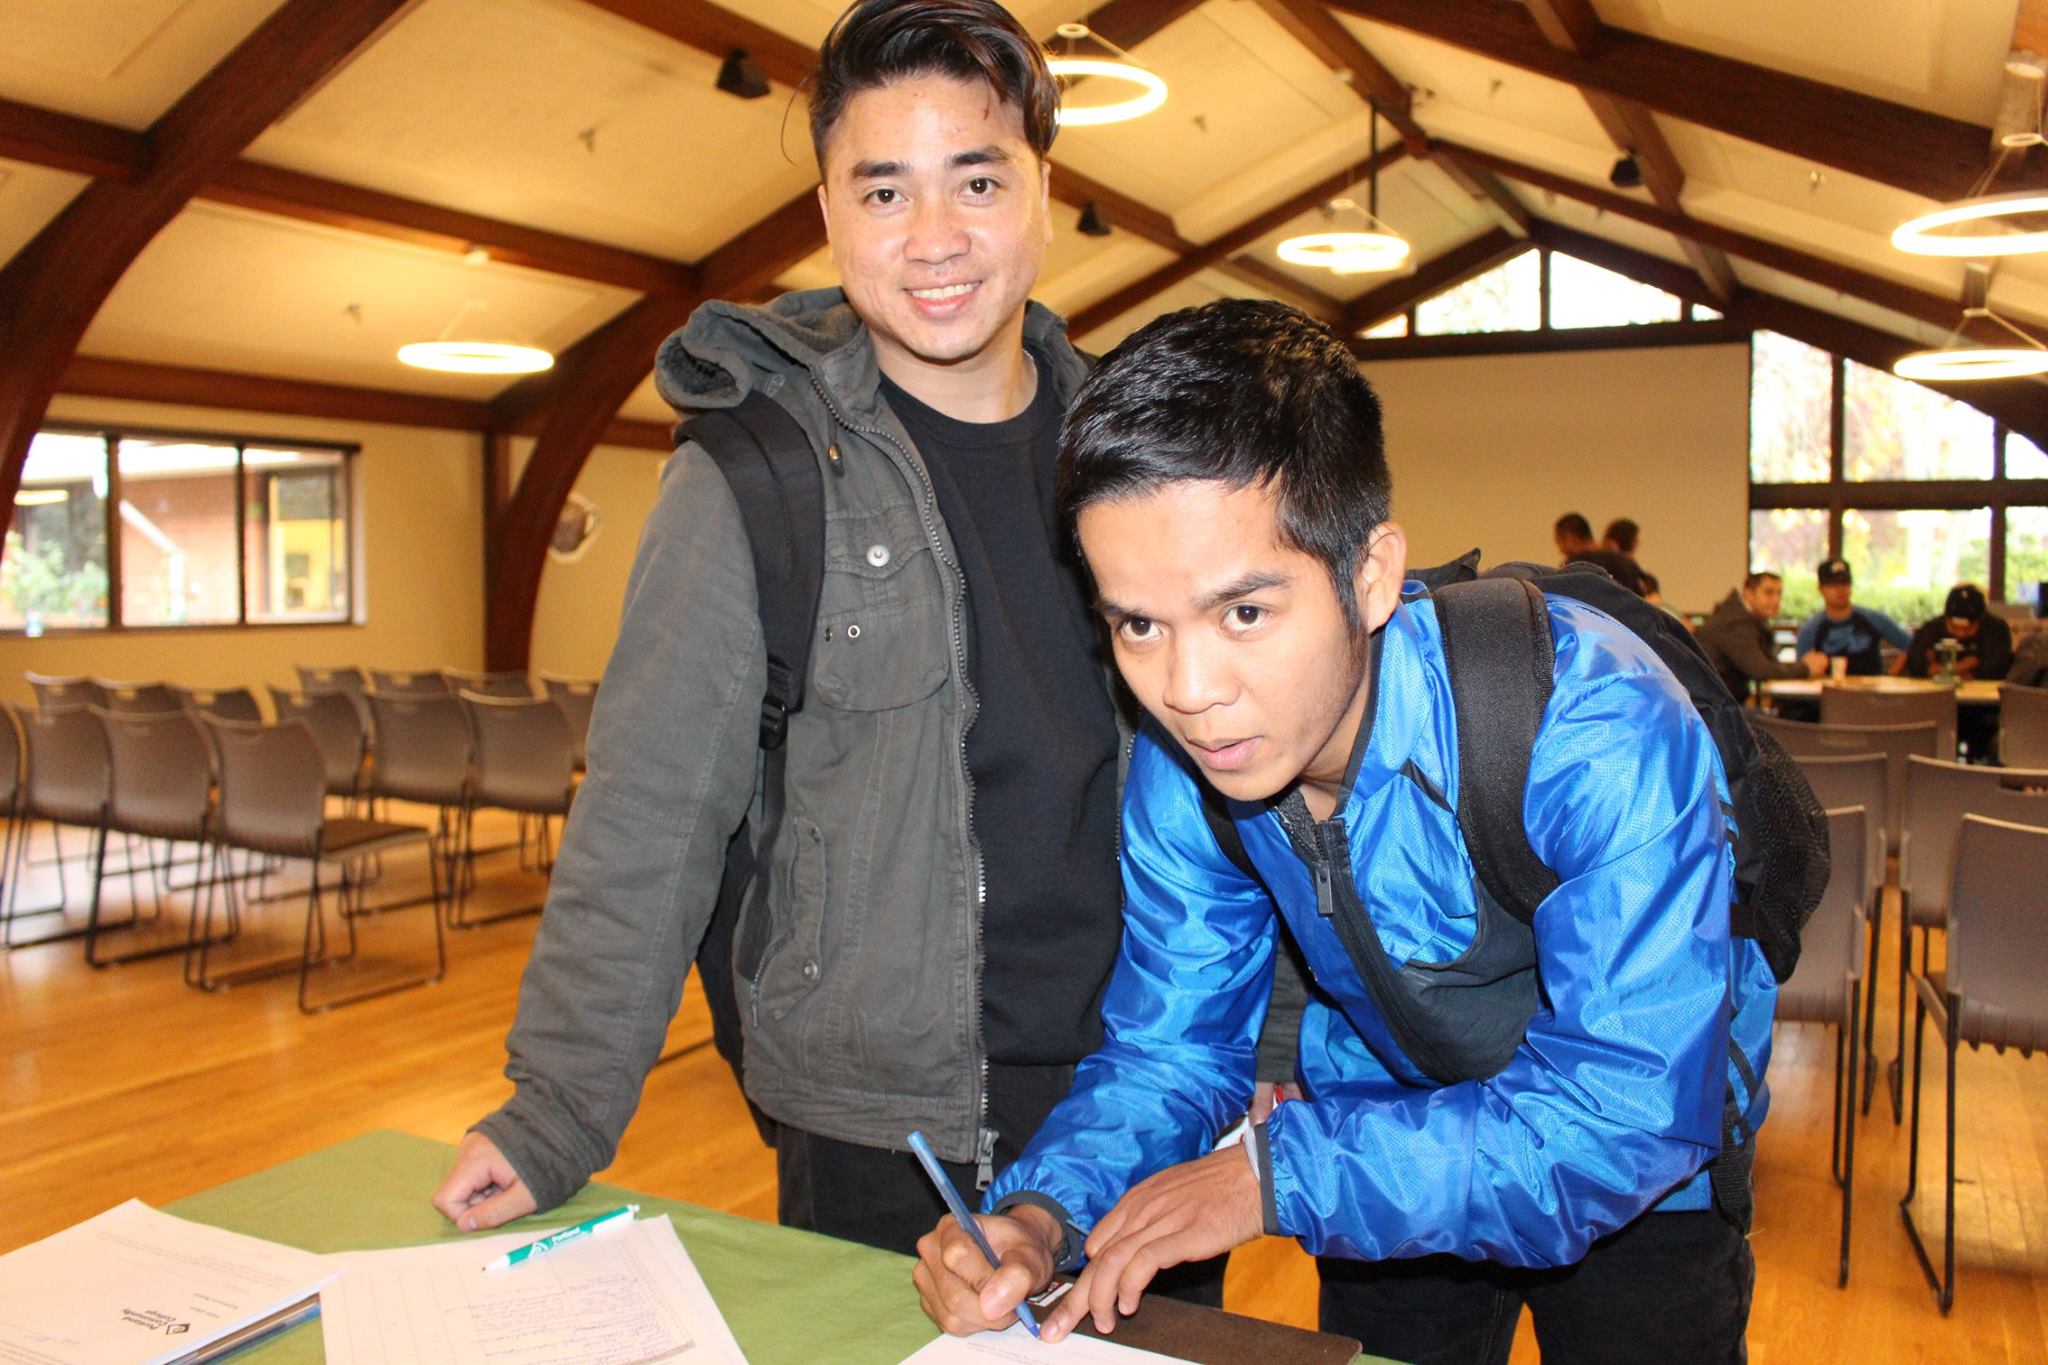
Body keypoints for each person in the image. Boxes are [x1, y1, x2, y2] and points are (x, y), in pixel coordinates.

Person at [913, 301, 1773, 1364]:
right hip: (1386, 1125)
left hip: (1642, 1177)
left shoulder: (1590, 723)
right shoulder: (1186, 772)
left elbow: (1627, 1109)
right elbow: (1172, 1048)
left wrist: (1280, 1175)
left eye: (1243, 613)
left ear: (1369, 576)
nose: (1187, 690)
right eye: (1137, 623)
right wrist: (1043, 1212)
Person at [429, 0, 1140, 1261]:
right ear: (827, 213)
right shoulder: (752, 478)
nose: (933, 237)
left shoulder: (1141, 457)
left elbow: (1245, 771)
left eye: (977, 180)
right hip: (880, 1130)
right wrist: (556, 1112)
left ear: (1044, 192)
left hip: (1142, 1094)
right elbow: (650, 811)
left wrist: (1270, 1040)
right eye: (883, 191)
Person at [1698, 570, 1826, 702]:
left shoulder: (1738, 616)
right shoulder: (1735, 623)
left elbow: (1766, 664)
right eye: (1768, 593)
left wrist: (1802, 667)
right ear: (1748, 593)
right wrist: (1806, 669)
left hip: (1719, 703)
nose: (1776, 600)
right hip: (1716, 707)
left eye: (1779, 593)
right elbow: (1761, 670)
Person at [1794, 557, 1909, 675]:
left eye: (1845, 583)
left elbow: (1910, 645)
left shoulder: (1873, 619)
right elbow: (1801, 669)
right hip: (1829, 686)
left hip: (1870, 685)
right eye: (1833, 585)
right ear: (1820, 589)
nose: (1840, 590)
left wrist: (1891, 676)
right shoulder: (1811, 629)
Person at [1904, 584, 2013, 682]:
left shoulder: (1996, 630)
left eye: (1968, 629)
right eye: (1954, 627)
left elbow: (1995, 668)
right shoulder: (1932, 628)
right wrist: (1964, 666)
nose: (1961, 634)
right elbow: (1916, 664)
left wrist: (1939, 671)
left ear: (1980, 620)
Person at [1553, 512, 1644, 596]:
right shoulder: (1625, 561)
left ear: (1571, 538)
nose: (1561, 550)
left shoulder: (1572, 567)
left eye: (1559, 542)